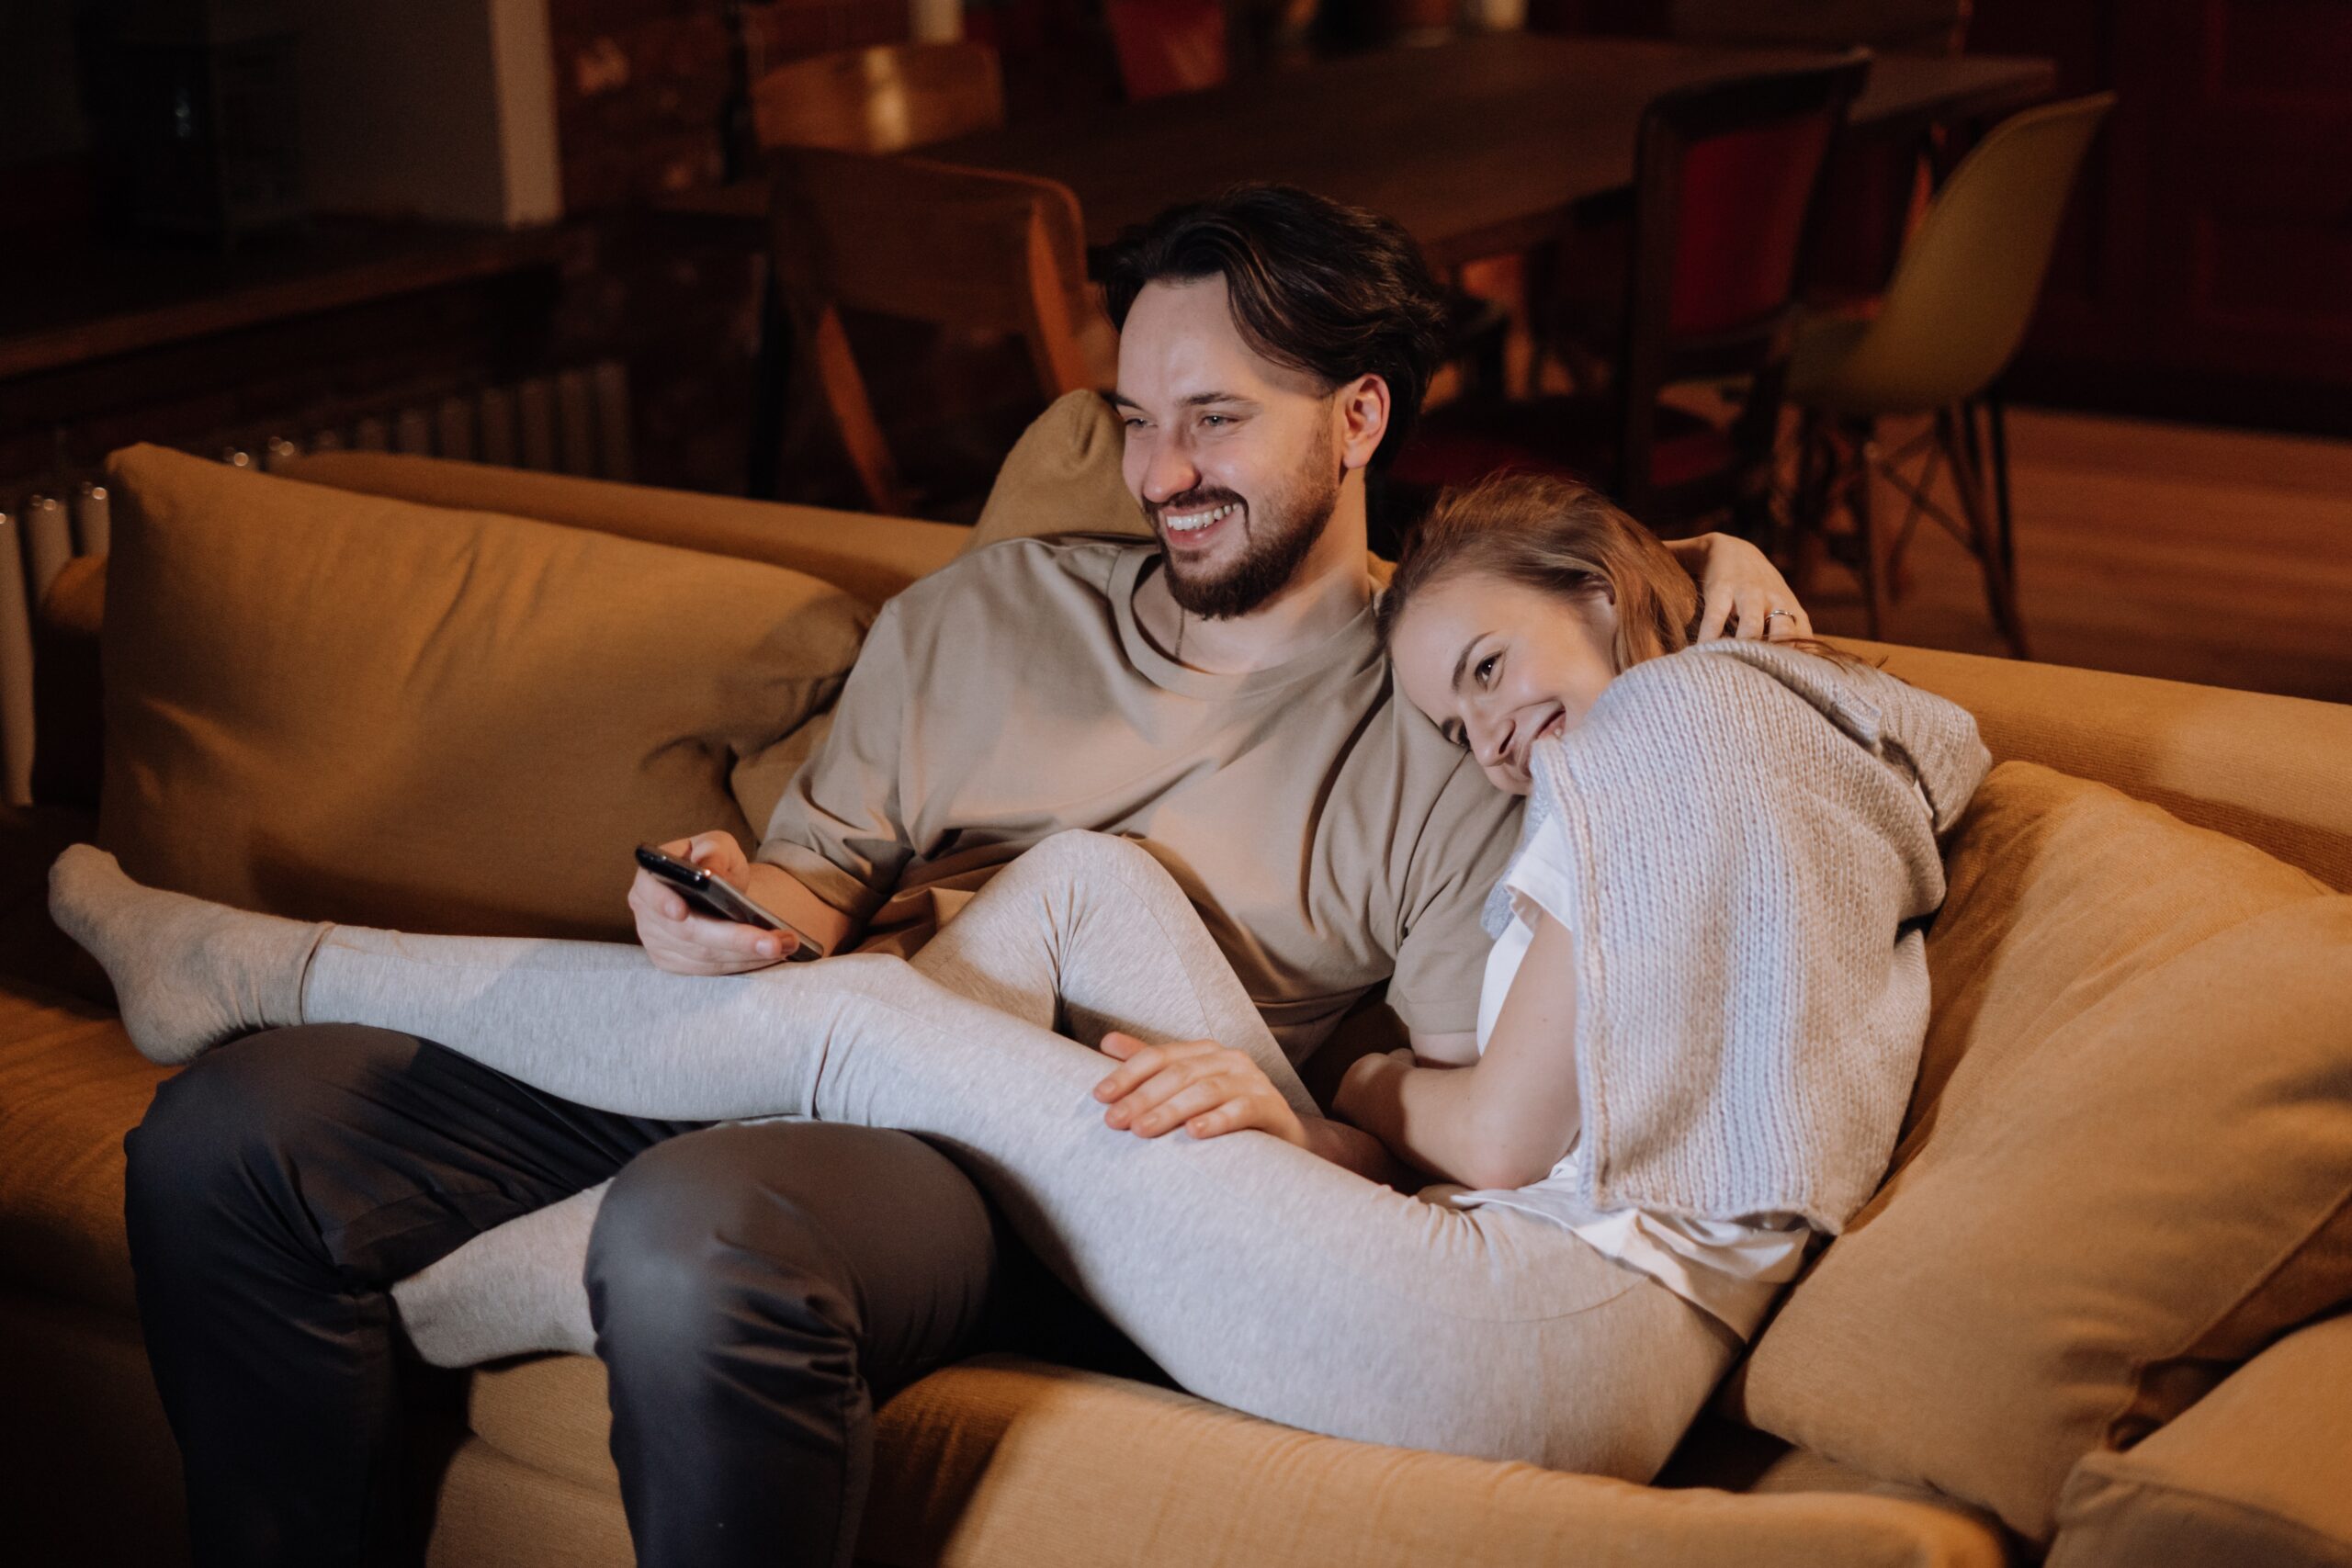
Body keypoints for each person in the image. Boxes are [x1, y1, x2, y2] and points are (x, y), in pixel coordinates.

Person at [84, 184, 1810, 1568]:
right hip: (778, 1043)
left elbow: (1450, 1153)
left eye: (1215, 418)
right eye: (1137, 419)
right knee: (234, 1133)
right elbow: (812, 898)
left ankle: (297, 990)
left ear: (1357, 417)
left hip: (1026, 1177)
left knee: (706, 1238)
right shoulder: (988, 615)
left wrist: (1712, 573)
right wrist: (713, 904)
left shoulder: (1442, 721)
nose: (1163, 476)